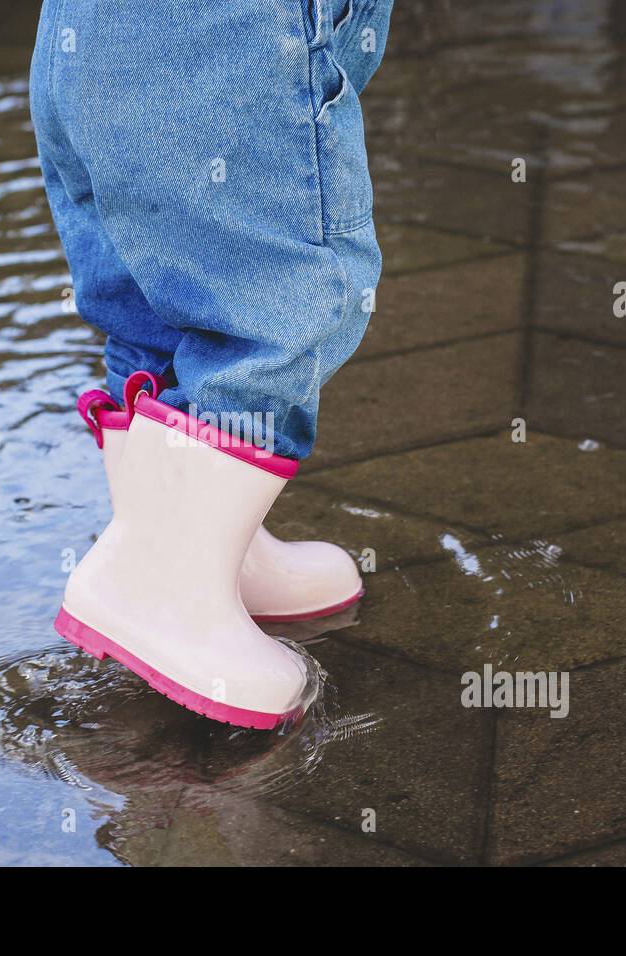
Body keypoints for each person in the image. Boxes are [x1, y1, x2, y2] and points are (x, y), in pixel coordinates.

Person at [32, 0, 393, 729]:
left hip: (111, 44)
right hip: (221, 34)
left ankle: (204, 551)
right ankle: (165, 582)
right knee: (277, 280)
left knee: (157, 274)